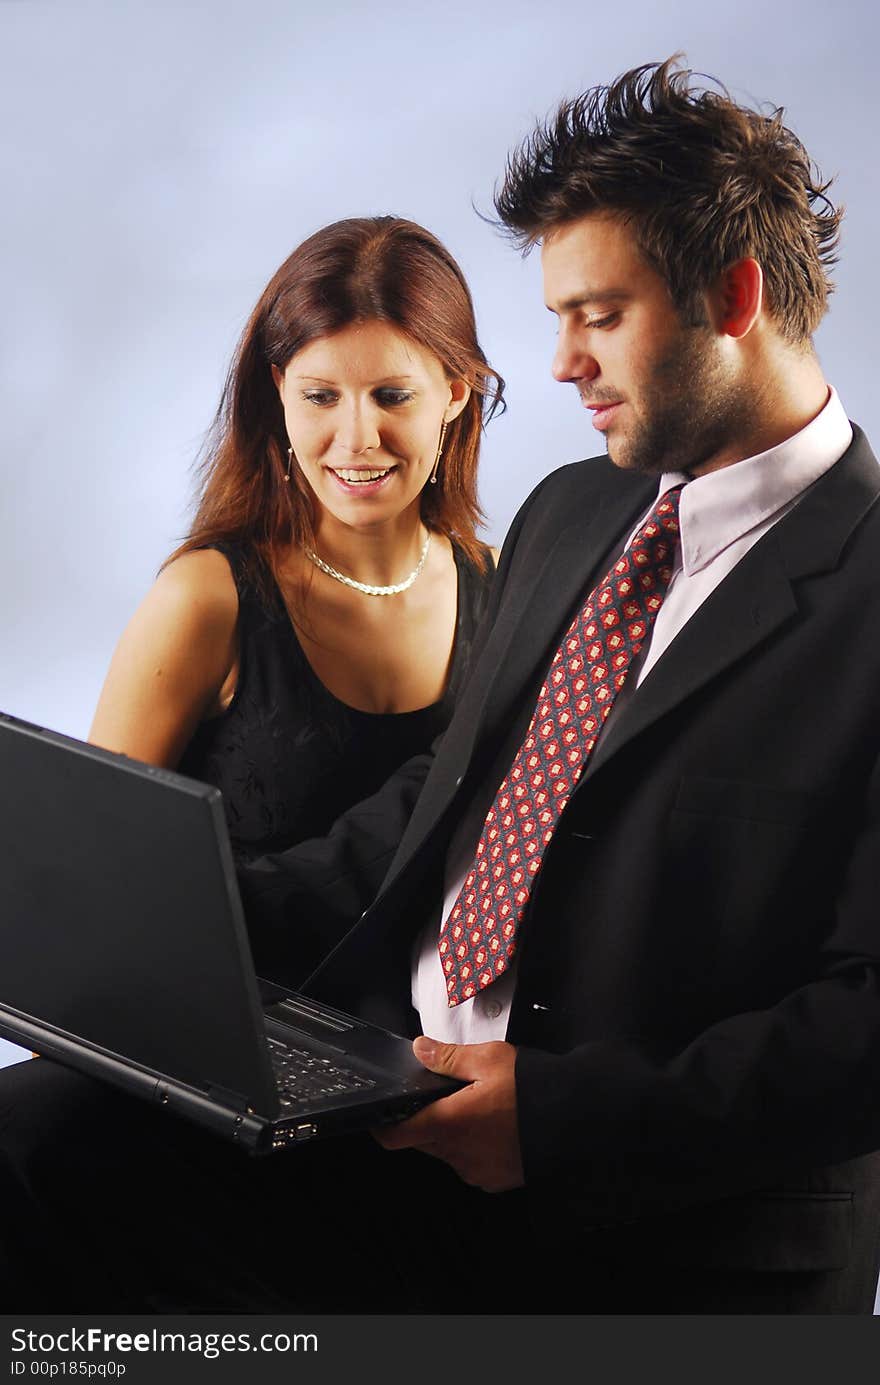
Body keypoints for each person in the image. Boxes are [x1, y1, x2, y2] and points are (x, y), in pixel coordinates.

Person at [2, 58, 880, 1315]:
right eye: (556, 316)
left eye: (598, 313)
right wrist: (174, 930)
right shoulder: (578, 511)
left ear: (734, 295)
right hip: (393, 1116)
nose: (563, 361)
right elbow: (454, 797)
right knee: (27, 1147)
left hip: (648, 1217)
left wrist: (561, 1121)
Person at [88, 217, 502, 922]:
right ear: (280, 392)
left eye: (393, 396)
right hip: (204, 1021)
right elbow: (92, 872)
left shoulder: (501, 586)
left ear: (456, 392)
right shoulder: (205, 599)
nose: (357, 438)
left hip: (413, 1035)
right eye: (321, 396)